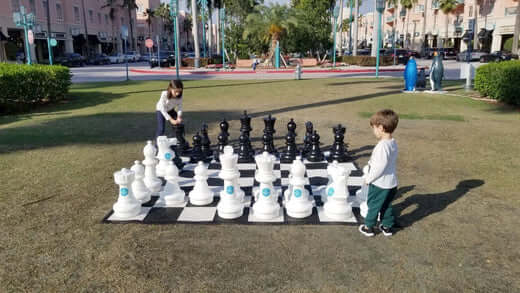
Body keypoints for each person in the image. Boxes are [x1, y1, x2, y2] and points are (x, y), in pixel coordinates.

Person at [359, 109, 399, 237]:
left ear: (381, 128)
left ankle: (368, 227)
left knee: (373, 205)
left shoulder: (382, 146)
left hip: (380, 184)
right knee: (386, 205)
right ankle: (387, 226)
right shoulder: (392, 142)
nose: (373, 131)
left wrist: (369, 178)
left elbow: (379, 167)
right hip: (391, 183)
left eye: (374, 128)